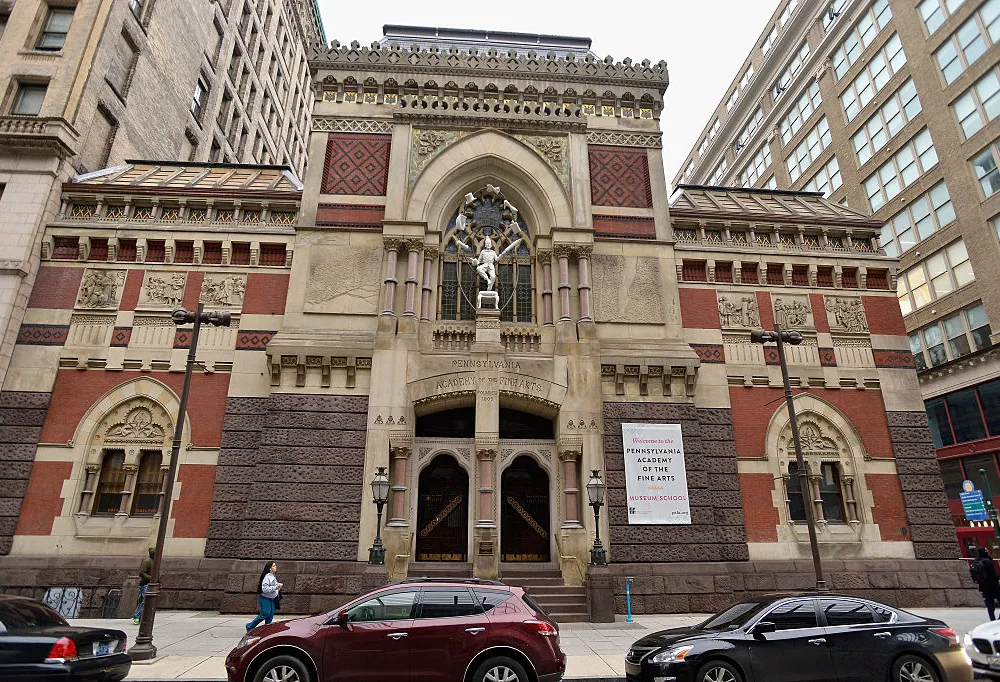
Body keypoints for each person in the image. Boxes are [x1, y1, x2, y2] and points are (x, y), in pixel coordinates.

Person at [246, 561, 282, 631]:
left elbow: (274, 584)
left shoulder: (272, 576)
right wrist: (275, 588)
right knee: (265, 614)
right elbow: (264, 589)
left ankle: (266, 629)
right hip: (265, 598)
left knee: (270, 616)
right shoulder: (267, 577)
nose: (275, 567)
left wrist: (278, 585)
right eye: (274, 566)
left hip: (271, 598)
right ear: (270, 568)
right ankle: (250, 626)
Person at [971, 546, 1000, 620]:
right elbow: (994, 575)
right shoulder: (988, 562)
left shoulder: (976, 561)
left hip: (984, 586)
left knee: (990, 604)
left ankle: (992, 619)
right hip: (994, 585)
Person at [132, 548, 154, 625]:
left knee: (142, 600)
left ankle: (140, 616)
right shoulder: (147, 562)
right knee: (145, 600)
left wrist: (158, 581)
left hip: (150, 583)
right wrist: (152, 578)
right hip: (145, 584)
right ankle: (136, 616)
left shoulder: (155, 562)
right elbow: (141, 573)